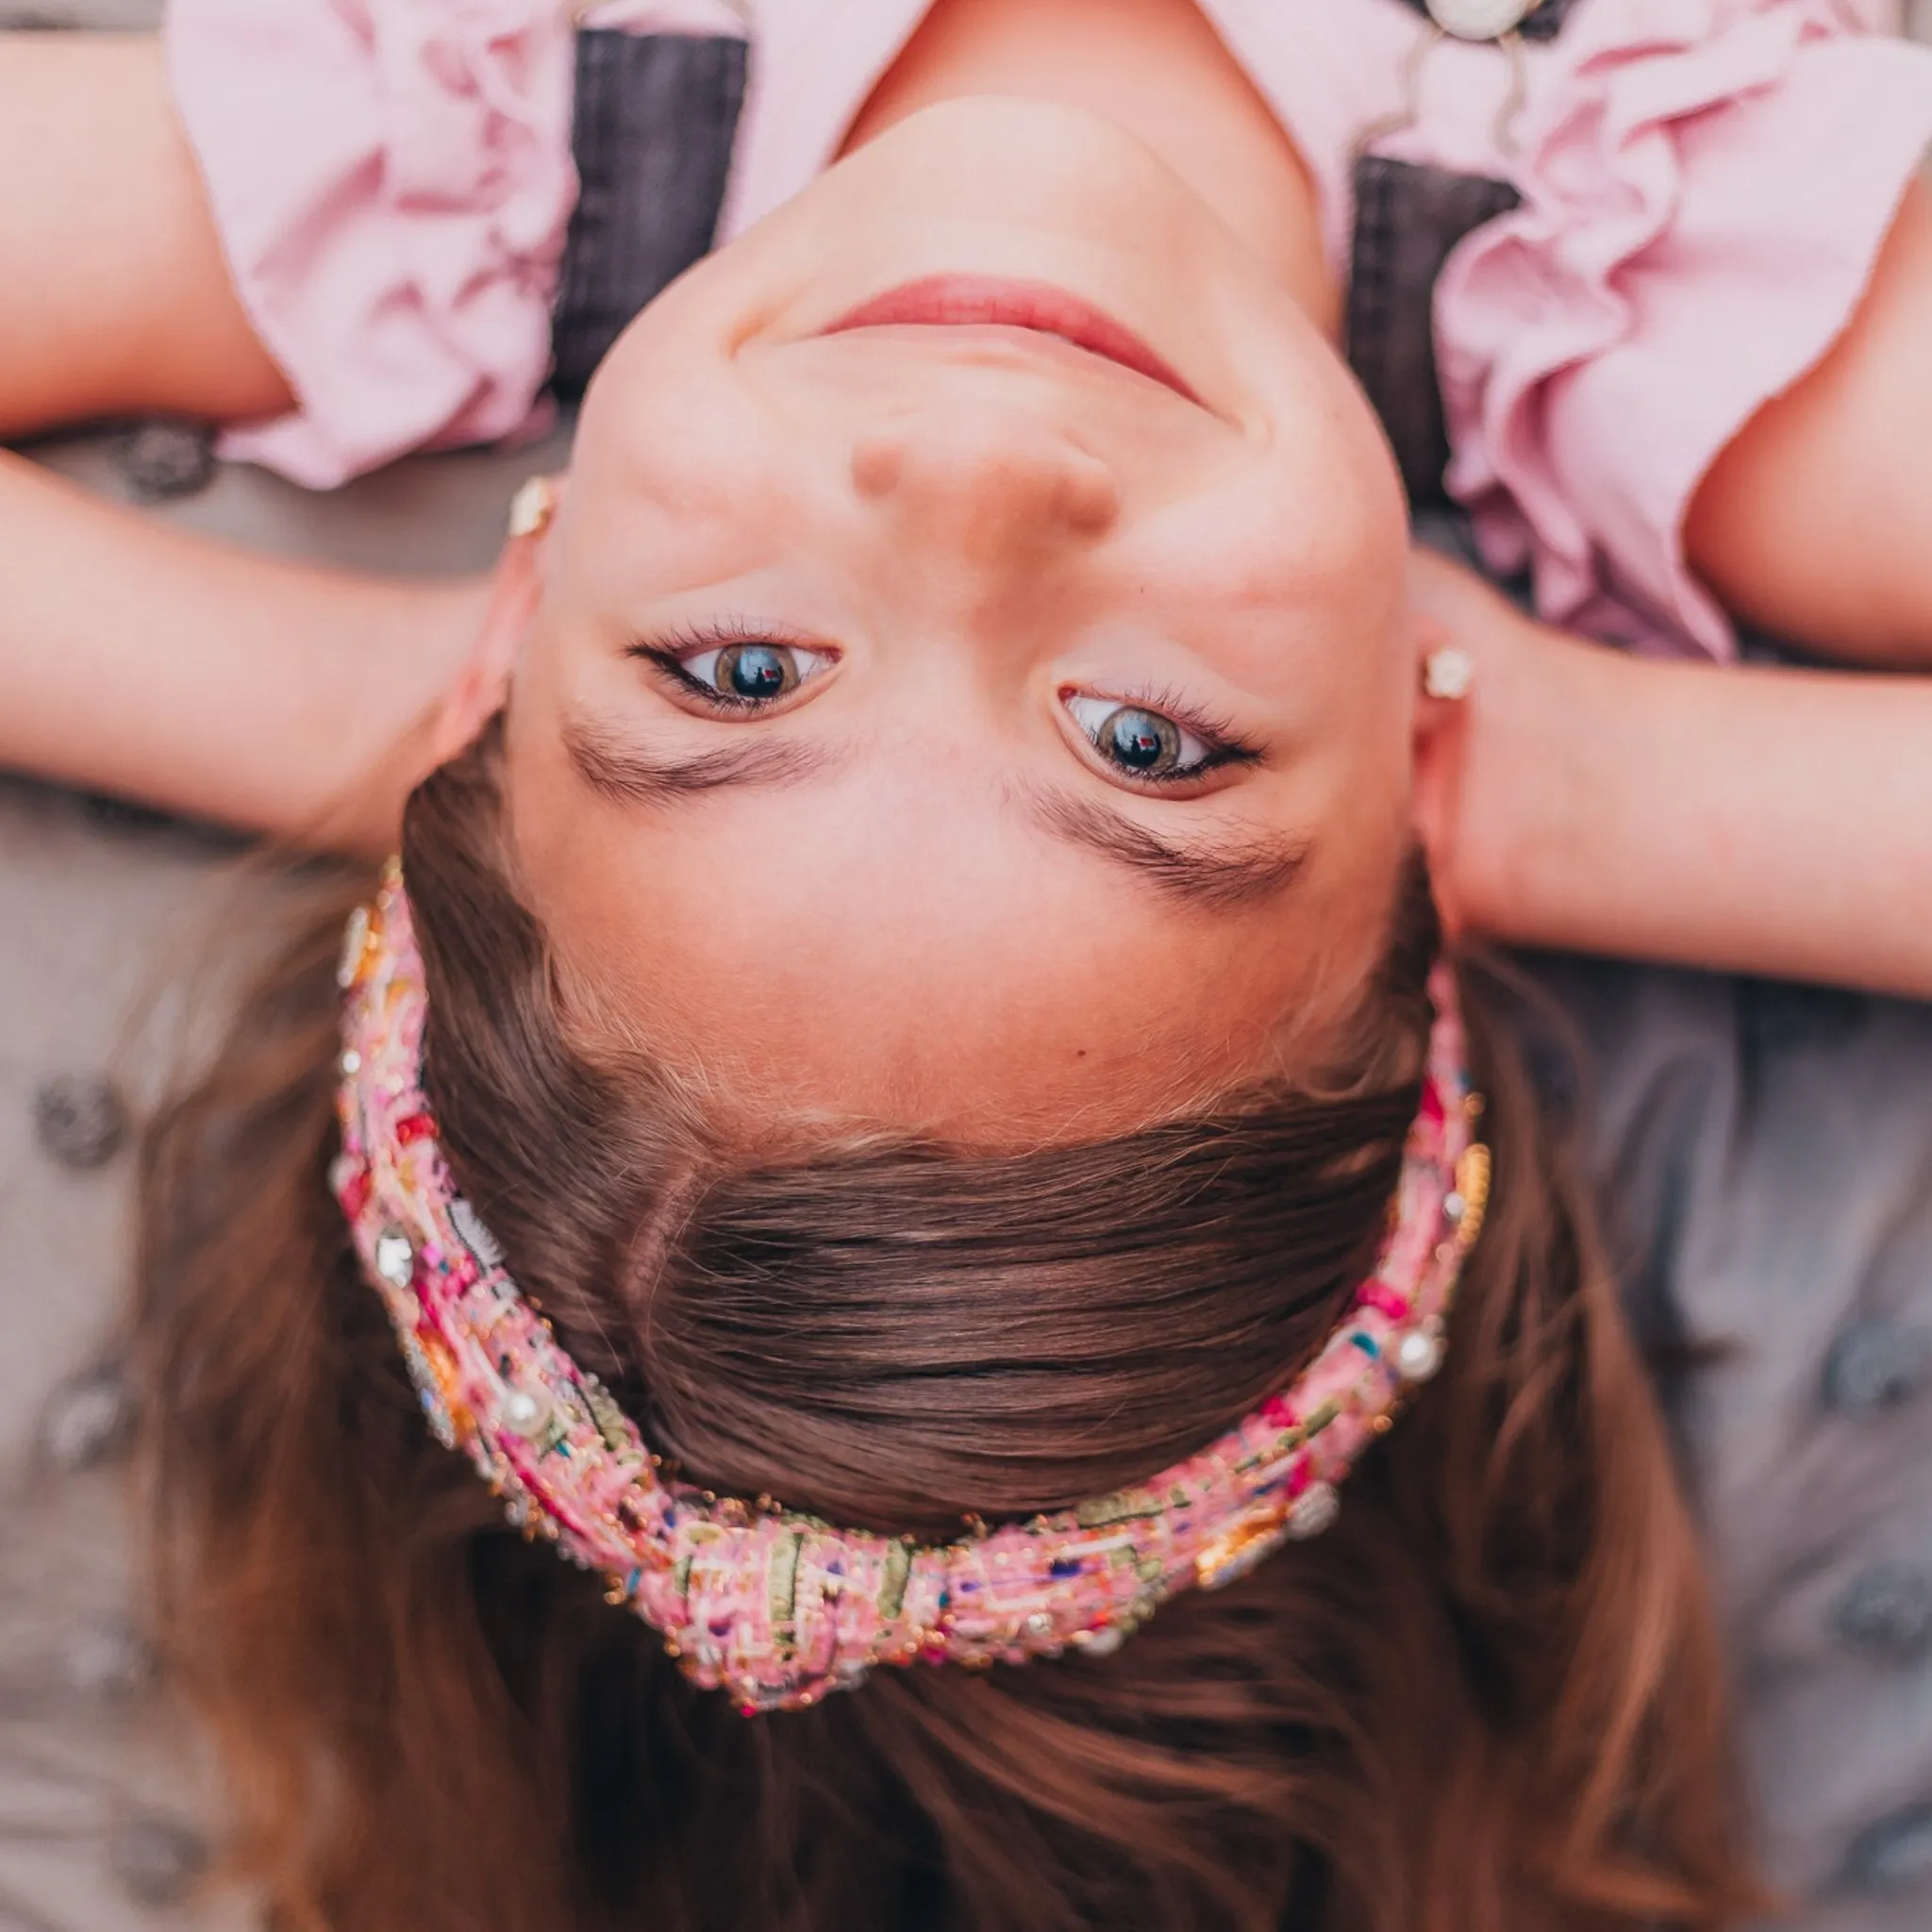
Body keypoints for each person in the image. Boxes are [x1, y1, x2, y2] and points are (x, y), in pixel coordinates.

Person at [2, 0, 1930, 1924]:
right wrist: (1585, 790)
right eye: (1147, 745)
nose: (980, 470)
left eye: (738, 674)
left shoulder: (442, 175)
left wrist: (348, 700)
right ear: (1412, 799)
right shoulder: (1683, 306)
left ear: (515, 624)